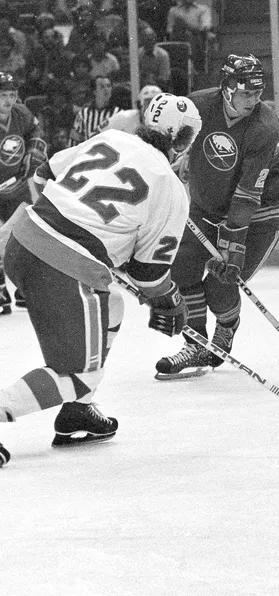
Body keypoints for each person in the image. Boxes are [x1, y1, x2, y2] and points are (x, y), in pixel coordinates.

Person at [0, 93, 202, 467]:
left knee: (111, 304)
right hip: (62, 269)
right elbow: (150, 274)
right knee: (76, 374)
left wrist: (96, 233)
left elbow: (44, 176)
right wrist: (169, 300)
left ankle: (79, 412)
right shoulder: (170, 188)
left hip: (22, 242)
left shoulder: (110, 138)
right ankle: (77, 391)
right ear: (183, 140)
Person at [155, 54, 279, 377]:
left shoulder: (265, 128)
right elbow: (164, 132)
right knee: (181, 269)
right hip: (206, 208)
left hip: (257, 218)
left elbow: (247, 194)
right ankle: (196, 344)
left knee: (220, 283)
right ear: (227, 88)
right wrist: (176, 155)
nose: (254, 100)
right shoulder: (196, 106)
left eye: (258, 93)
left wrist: (233, 244)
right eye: (246, 93)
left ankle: (226, 328)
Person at [0, 72, 47, 315]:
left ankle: (23, 288)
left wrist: (34, 150)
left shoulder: (22, 113)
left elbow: (35, 133)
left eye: (12, 95)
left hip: (16, 186)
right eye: (3, 95)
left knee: (21, 236)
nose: (8, 100)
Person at [69, 75, 120, 146]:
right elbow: (74, 141)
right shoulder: (83, 114)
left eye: (108, 86)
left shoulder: (118, 113)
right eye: (102, 87)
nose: (106, 89)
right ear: (94, 91)